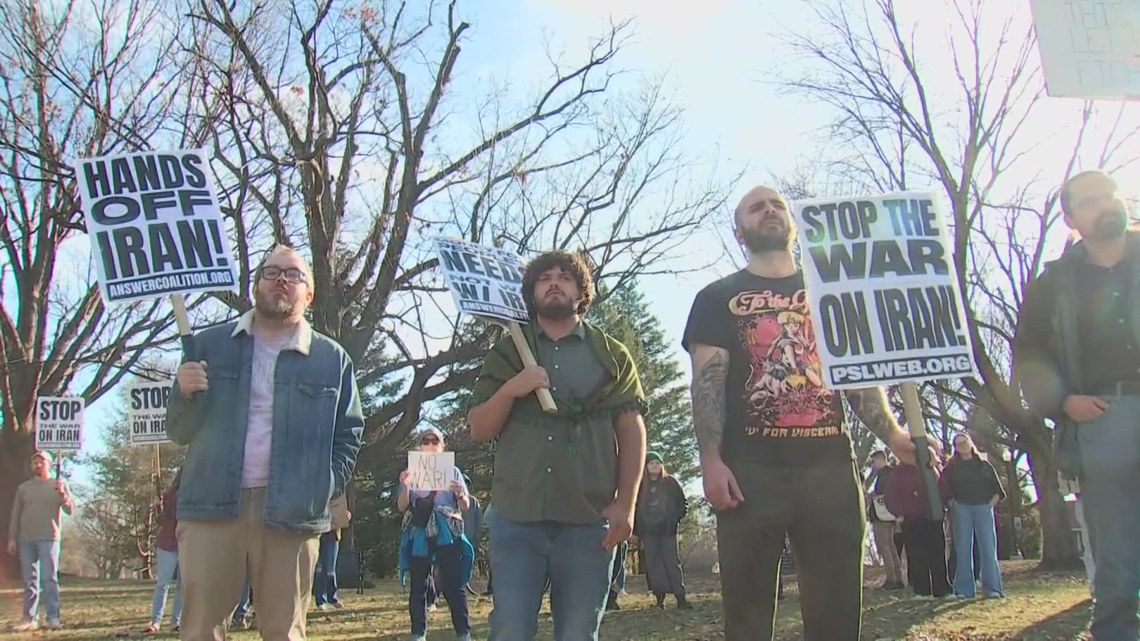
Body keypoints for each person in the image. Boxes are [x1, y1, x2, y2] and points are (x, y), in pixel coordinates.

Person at [682, 185, 920, 641]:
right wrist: (711, 462)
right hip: (749, 471)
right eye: (756, 207)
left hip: (829, 467)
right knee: (747, 615)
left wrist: (893, 436)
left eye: (777, 205)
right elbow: (707, 383)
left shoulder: (833, 289)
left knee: (836, 612)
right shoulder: (717, 297)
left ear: (792, 223)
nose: (769, 210)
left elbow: (858, 375)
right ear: (740, 232)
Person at [167, 245, 365, 641]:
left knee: (284, 632)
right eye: (271, 271)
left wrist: (322, 485)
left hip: (292, 515)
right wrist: (183, 394)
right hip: (211, 507)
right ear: (255, 284)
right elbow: (179, 432)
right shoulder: (208, 345)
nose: (282, 280)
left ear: (309, 294)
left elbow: (350, 434)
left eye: (294, 275)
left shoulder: (332, 359)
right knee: (199, 630)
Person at [468, 250, 648, 641]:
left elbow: (632, 430)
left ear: (581, 292)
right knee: (510, 630)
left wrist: (626, 504)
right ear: (530, 293)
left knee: (579, 633)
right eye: (543, 278)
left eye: (565, 277)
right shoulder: (507, 352)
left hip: (588, 522)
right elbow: (480, 427)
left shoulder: (612, 356)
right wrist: (514, 388)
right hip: (516, 517)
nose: (554, 282)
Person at [1013, 168, 1139, 640]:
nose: (1106, 203)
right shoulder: (1055, 282)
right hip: (1104, 420)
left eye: (1110, 192)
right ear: (1070, 219)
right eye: (1090, 200)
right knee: (1117, 559)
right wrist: (1063, 402)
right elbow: (1029, 355)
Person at [396, 427, 474, 641]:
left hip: (447, 532)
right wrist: (404, 486)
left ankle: (463, 633)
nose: (430, 444)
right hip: (419, 532)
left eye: (435, 441)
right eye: (425, 440)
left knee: (453, 584)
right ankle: (418, 633)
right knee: (418, 585)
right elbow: (402, 506)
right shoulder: (411, 471)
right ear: (419, 445)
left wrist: (459, 493)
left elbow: (465, 506)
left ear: (442, 445)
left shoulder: (453, 471)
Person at [7, 451, 73, 631]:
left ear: (49, 465)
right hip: (26, 539)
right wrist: (12, 538)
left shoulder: (58, 484)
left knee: (49, 579)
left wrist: (63, 494)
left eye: (42, 462)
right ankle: (29, 618)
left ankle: (53, 617)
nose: (38, 465)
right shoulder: (24, 488)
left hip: (49, 538)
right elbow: (15, 515)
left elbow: (70, 510)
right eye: (35, 462)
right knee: (30, 581)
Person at [938, 433, 1005, 599]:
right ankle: (964, 589)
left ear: (970, 443)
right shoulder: (951, 468)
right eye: (958, 444)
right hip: (962, 508)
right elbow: (944, 488)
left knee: (988, 548)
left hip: (983, 507)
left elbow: (997, 490)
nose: (962, 446)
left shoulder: (983, 465)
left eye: (964, 442)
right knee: (963, 548)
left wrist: (990, 504)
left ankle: (993, 588)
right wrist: (951, 502)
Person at [886, 458, 951, 599]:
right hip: (911, 518)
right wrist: (899, 512)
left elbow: (942, 488)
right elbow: (891, 494)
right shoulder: (899, 472)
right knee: (916, 554)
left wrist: (945, 504)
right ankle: (922, 590)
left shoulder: (931, 468)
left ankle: (942, 589)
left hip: (933, 515)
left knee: (937, 552)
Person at [633, 451, 691, 609]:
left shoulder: (670, 483)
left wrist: (674, 520)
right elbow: (634, 508)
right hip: (648, 531)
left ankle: (681, 598)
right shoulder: (640, 485)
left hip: (667, 530)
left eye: (658, 463)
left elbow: (682, 504)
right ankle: (659, 599)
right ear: (646, 466)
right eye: (651, 463)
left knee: (672, 563)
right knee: (653, 564)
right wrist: (638, 528)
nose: (655, 466)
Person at [147, 469, 183, 633]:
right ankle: (156, 622)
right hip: (168, 543)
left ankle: (176, 621)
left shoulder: (196, 495)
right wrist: (158, 507)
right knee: (163, 583)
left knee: (182, 585)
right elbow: (161, 519)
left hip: (186, 543)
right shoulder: (168, 496)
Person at [866, 450, 905, 590]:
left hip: (882, 515)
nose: (873, 465)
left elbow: (883, 493)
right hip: (890, 515)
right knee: (891, 546)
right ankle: (897, 577)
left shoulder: (885, 475)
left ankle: (892, 579)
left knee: (884, 547)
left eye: (874, 461)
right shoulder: (891, 473)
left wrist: (873, 495)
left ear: (880, 459)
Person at [313, 494, 351, 610]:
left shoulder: (337, 494)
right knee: (319, 568)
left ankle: (332, 597)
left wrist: (345, 515)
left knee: (330, 568)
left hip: (332, 535)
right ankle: (320, 600)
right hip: (317, 534)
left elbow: (341, 510)